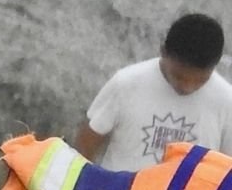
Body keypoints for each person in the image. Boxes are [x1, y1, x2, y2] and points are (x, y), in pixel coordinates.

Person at [74, 13, 232, 172]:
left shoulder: (226, 101)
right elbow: (88, 141)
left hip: (190, 189)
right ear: (163, 52)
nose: (187, 87)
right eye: (179, 77)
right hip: (124, 187)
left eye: (200, 81)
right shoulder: (126, 83)